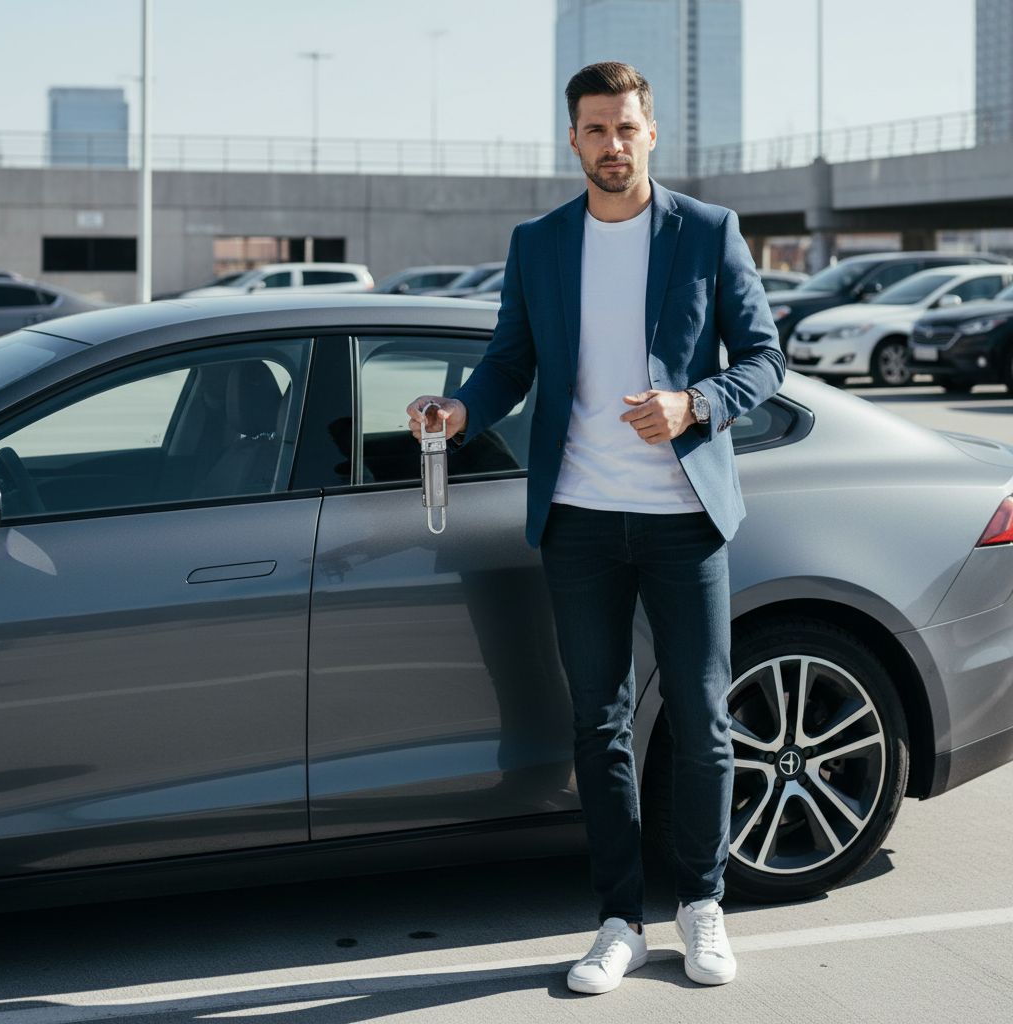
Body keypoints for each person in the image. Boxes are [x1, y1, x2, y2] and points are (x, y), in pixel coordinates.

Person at [406, 61, 785, 994]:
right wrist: (461, 413)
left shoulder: (708, 233)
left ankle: (702, 904)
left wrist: (694, 402)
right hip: (577, 519)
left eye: (626, 128)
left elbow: (769, 360)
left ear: (651, 132)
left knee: (701, 721)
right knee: (598, 724)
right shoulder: (538, 244)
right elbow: (508, 364)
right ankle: (617, 918)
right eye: (594, 130)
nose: (612, 146)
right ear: (571, 139)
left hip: (682, 519)